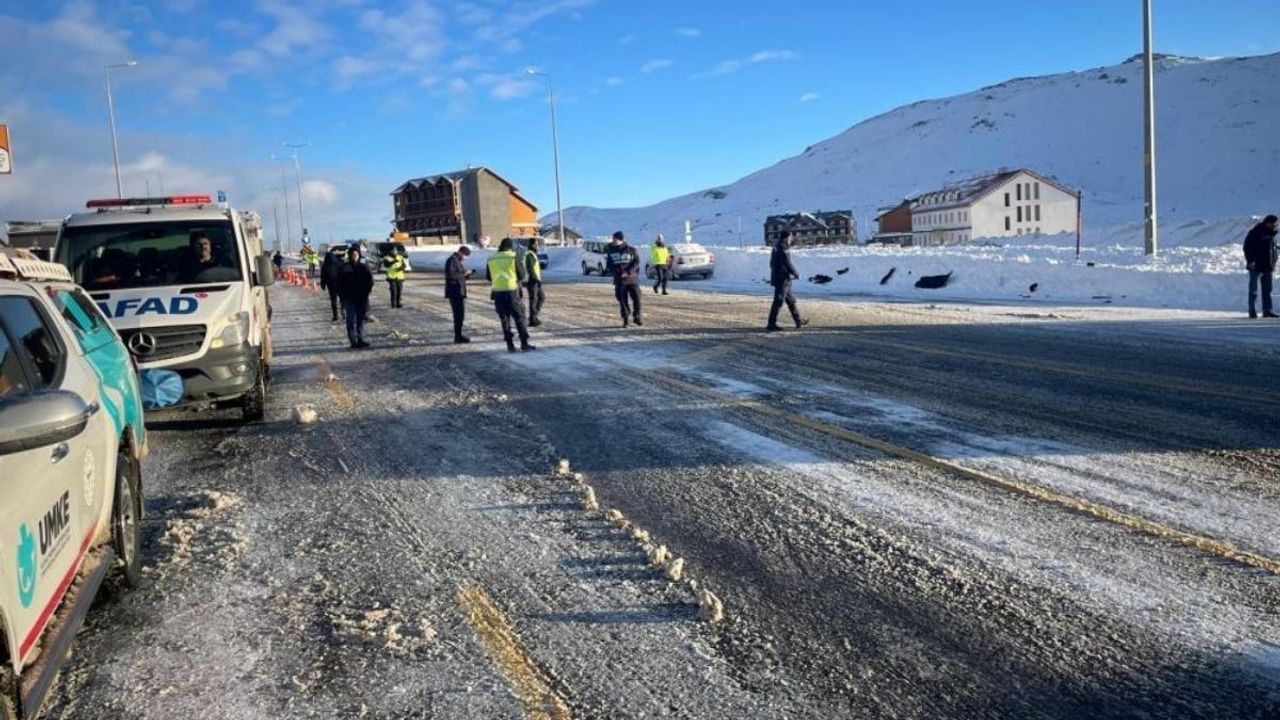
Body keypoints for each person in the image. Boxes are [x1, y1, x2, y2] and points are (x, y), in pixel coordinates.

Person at [486, 238, 535, 352]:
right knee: (520, 317)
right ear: (511, 246)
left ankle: (510, 345)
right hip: (512, 291)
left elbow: (489, 277)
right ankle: (524, 343)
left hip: (498, 292)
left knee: (505, 320)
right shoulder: (513, 256)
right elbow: (522, 275)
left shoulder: (491, 258)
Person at [767, 230, 809, 332]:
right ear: (786, 238)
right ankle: (771, 324)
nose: (792, 239)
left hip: (781, 278)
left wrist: (776, 272)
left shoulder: (776, 247)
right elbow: (787, 263)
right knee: (778, 301)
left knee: (791, 301)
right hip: (783, 279)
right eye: (791, 237)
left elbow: (771, 263)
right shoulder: (783, 248)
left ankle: (798, 321)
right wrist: (796, 273)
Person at [336, 246, 374, 349]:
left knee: (360, 321)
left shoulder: (363, 267)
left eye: (356, 254)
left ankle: (360, 339)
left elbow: (370, 281)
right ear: (350, 255)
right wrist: (342, 297)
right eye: (352, 254)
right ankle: (353, 341)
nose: (354, 256)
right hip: (349, 299)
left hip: (362, 298)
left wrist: (366, 292)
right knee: (350, 320)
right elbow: (339, 284)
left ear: (359, 255)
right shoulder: (344, 268)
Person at [1243, 214, 1278, 319]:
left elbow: (1272, 250)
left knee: (1267, 290)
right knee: (1253, 290)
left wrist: (1273, 261)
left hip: (1268, 266)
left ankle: (1268, 310)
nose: (1276, 226)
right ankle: (1252, 311)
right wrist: (1251, 260)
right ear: (1269, 223)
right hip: (1255, 265)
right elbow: (1247, 247)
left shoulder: (1271, 235)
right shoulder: (1255, 232)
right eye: (1274, 223)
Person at [606, 231, 642, 327]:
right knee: (622, 300)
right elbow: (609, 265)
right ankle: (625, 319)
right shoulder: (611, 251)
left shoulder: (631, 250)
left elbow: (636, 262)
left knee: (637, 299)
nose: (613, 241)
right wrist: (616, 271)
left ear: (620, 240)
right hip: (619, 280)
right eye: (613, 239)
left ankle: (637, 317)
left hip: (632, 279)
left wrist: (628, 271)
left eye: (614, 239)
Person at [445, 245, 475, 343]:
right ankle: (458, 337)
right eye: (465, 256)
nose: (465, 258)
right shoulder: (451, 260)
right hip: (454, 292)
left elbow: (459, 275)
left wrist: (468, 275)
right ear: (461, 252)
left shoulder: (457, 261)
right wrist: (464, 274)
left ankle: (459, 335)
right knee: (458, 315)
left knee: (460, 315)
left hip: (459, 291)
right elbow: (450, 275)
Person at [523, 237, 546, 326]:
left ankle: (533, 316)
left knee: (541, 297)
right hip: (532, 281)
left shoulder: (532, 253)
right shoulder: (530, 254)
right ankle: (532, 320)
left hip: (535, 280)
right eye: (536, 244)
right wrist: (535, 279)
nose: (538, 246)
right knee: (534, 300)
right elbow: (530, 268)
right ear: (532, 245)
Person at [320, 247, 344, 322]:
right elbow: (344, 274)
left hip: (331, 286)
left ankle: (335, 316)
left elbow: (323, 277)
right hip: (340, 285)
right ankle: (343, 312)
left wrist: (323, 285)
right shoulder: (339, 263)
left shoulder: (325, 266)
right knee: (342, 299)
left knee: (333, 301)